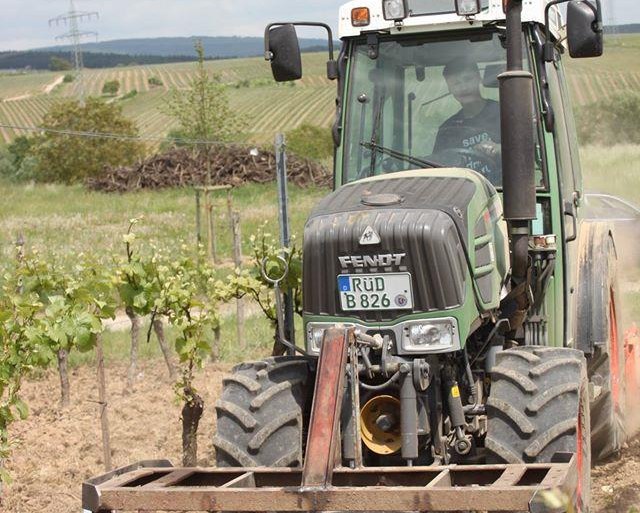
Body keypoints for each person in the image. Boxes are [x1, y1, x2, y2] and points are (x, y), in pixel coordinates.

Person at [433, 57, 502, 181]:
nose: (463, 88)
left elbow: (526, 150)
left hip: (504, 191)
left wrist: (498, 148)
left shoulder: (503, 113)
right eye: (456, 83)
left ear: (478, 78)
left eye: (468, 79)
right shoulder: (447, 129)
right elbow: (438, 170)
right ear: (449, 88)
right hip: (462, 194)